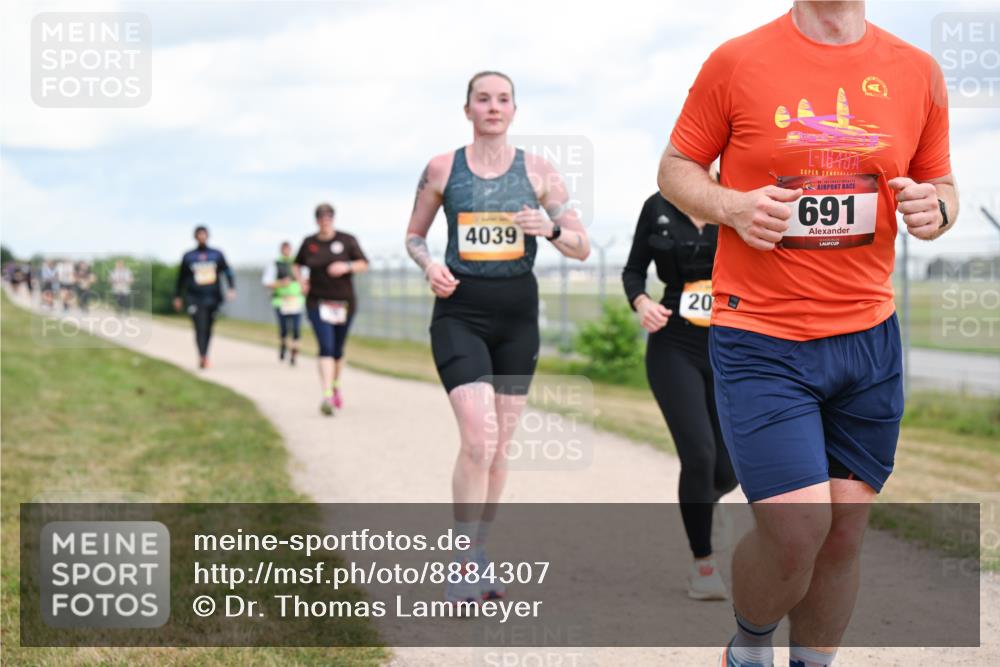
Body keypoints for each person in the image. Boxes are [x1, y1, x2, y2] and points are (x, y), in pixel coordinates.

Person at [658, 2, 958, 666]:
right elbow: (675, 169)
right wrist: (732, 206)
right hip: (762, 336)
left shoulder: (917, 71)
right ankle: (751, 645)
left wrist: (936, 209)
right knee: (798, 529)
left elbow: (941, 183)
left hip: (867, 339)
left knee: (844, 532)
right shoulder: (737, 61)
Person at [405, 71, 590, 605]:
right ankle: (462, 561)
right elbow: (414, 236)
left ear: (515, 109)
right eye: (482, 99)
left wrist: (548, 229)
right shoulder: (443, 168)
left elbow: (581, 246)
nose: (493, 107)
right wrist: (428, 265)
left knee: (501, 447)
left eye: (502, 99)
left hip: (516, 317)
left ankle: (479, 551)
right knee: (478, 438)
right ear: (467, 110)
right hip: (459, 312)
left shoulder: (539, 171)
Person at [622, 166, 738, 602]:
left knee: (730, 468)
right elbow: (633, 270)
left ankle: (706, 504)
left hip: (730, 348)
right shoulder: (657, 207)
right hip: (674, 344)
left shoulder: (736, 199)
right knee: (700, 454)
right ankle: (703, 565)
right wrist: (642, 301)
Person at [293, 203, 369, 415]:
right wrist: (301, 281)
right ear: (316, 220)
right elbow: (297, 264)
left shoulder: (347, 240)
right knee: (325, 346)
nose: (325, 221)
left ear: (333, 219)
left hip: (343, 303)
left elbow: (364, 263)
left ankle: (335, 385)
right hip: (317, 302)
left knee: (338, 349)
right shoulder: (309, 243)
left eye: (328, 217)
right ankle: (326, 394)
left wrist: (347, 266)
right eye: (321, 217)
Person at [173, 226, 236, 369]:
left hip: (213, 297)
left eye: (204, 234)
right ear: (195, 237)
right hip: (194, 297)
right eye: (199, 235)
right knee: (199, 327)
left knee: (208, 327)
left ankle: (205, 354)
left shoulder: (217, 254)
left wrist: (232, 288)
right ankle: (202, 356)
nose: (202, 237)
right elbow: (181, 278)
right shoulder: (189, 256)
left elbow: (228, 272)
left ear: (208, 236)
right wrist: (177, 296)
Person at [262, 241, 305, 366]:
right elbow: (267, 282)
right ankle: (283, 345)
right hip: (280, 301)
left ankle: (294, 353)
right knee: (284, 328)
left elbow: (305, 280)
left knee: (296, 329)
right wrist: (281, 283)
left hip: (296, 301)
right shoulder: (275, 264)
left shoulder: (298, 264)